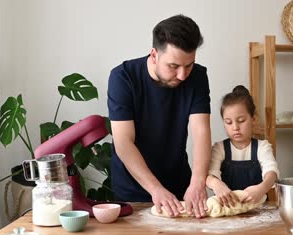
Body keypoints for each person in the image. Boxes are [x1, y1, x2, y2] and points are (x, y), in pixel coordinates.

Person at [107, 14, 211, 218]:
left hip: (179, 185)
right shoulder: (123, 78)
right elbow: (123, 142)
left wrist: (198, 182)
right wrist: (155, 189)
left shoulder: (197, 77)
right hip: (132, 189)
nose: (182, 75)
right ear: (154, 55)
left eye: (188, 65)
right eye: (173, 66)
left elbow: (201, 131)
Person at [206, 85, 279, 207]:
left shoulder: (262, 147)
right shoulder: (220, 148)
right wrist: (216, 184)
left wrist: (261, 188)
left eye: (241, 120)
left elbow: (272, 173)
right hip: (228, 209)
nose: (235, 127)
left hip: (258, 209)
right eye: (228, 122)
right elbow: (209, 175)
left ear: (253, 118)